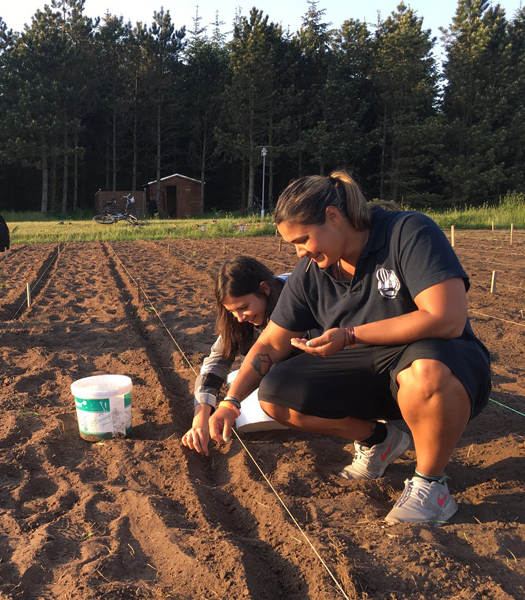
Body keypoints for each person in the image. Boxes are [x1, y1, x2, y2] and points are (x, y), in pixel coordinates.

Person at [207, 171, 491, 525]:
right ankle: (378, 440)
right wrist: (231, 402)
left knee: (425, 372)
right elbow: (270, 342)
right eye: (293, 244)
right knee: (278, 392)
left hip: (437, 360)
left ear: (333, 217)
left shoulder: (407, 232)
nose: (300, 252)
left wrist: (350, 335)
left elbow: (446, 317)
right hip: (370, 369)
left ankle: (430, 484)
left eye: (303, 239)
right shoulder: (312, 272)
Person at [182, 256, 296, 457]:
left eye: (244, 307)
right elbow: (217, 361)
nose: (240, 318)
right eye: (232, 311)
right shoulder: (240, 319)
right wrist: (200, 418)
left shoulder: (297, 298)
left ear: (265, 289)